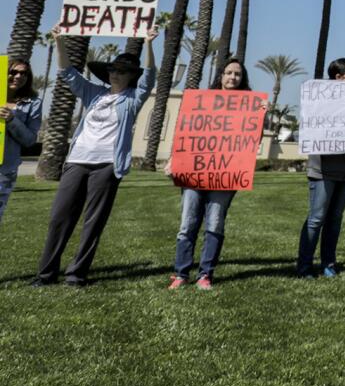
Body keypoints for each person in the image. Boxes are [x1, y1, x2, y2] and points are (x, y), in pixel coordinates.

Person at [33, 26, 158, 286]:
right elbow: (68, 73)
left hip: (107, 165)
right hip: (78, 160)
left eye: (122, 72)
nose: (115, 75)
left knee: (93, 221)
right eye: (112, 70)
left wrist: (148, 44)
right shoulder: (94, 93)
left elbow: (150, 77)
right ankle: (45, 274)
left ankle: (76, 274)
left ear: (130, 77)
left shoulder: (133, 98)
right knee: (59, 216)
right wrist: (58, 40)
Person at [167, 57, 252, 290]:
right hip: (195, 172)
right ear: (221, 76)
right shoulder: (202, 102)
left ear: (242, 78)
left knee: (215, 223)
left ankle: (205, 274)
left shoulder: (249, 106)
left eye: (237, 74)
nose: (232, 77)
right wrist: (175, 159)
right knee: (188, 223)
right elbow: (186, 131)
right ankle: (181, 273)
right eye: (228, 73)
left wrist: (261, 111)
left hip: (225, 175)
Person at [297, 57, 345, 278]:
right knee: (317, 219)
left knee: (335, 219)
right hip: (323, 169)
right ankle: (305, 266)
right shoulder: (321, 98)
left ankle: (328, 264)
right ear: (338, 77)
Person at [1, 57, 44, 227]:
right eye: (14, 72)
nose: (19, 76)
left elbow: (29, 140)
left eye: (24, 73)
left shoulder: (32, 103)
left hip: (5, 170)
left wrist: (12, 120)